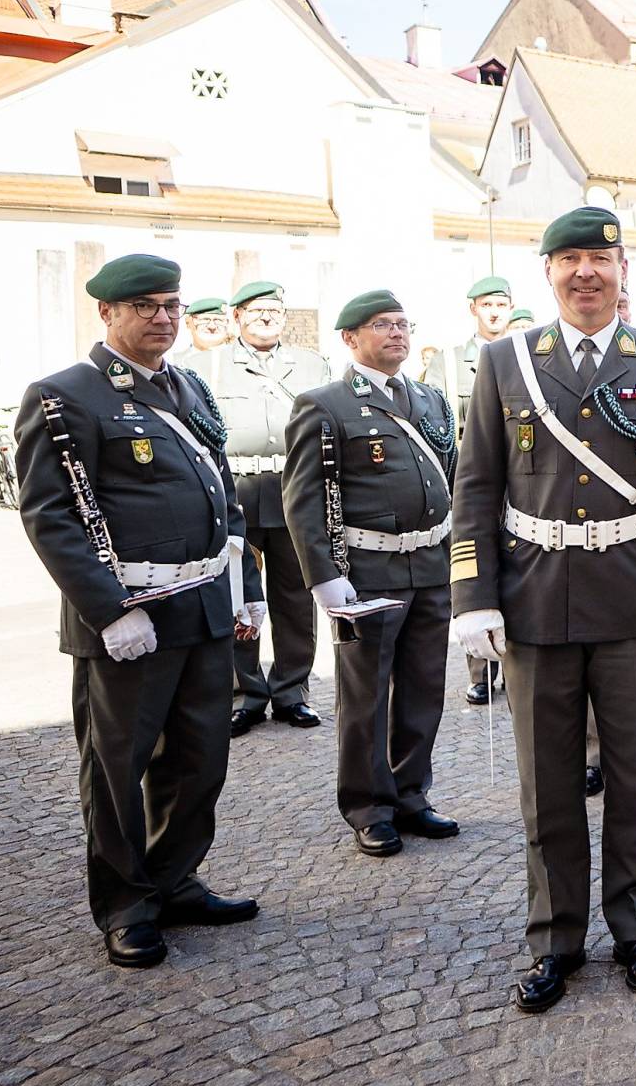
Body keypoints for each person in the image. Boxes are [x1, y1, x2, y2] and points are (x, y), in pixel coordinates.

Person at [449, 207, 636, 1012]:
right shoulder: (505, 362)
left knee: (635, 780)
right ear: (549, 273)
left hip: (633, 603)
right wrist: (473, 598)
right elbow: (476, 490)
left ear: (622, 267)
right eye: (569, 260)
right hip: (534, 604)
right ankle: (555, 938)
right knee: (547, 783)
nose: (586, 273)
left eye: (599, 258)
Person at [14, 253, 265, 969]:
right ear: (107, 313)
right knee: (117, 768)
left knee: (199, 759)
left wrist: (243, 586)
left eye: (171, 306)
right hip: (130, 618)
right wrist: (108, 609)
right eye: (146, 307)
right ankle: (126, 904)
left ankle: (175, 878)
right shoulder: (66, 396)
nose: (163, 318)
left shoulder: (186, 387)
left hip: (203, 608)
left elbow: (223, 491)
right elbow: (51, 515)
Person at [283, 289, 461, 857]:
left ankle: (411, 793)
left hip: (430, 565)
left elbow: (454, 479)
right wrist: (325, 578)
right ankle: (369, 806)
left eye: (403, 324)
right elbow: (304, 499)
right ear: (350, 338)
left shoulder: (430, 400)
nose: (397, 334)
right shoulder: (324, 404)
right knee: (365, 697)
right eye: (383, 325)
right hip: (368, 571)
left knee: (423, 687)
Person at [187, 281, 331, 736]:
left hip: (294, 492)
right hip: (235, 494)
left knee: (294, 597)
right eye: (255, 311)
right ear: (236, 318)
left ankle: (291, 690)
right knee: (238, 595)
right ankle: (245, 692)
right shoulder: (204, 367)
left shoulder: (311, 364)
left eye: (274, 310)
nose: (266, 318)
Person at [423, 275, 516, 706]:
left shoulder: (523, 356)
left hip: (517, 482)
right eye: (487, 304)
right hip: (469, 478)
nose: (495, 311)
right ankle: (479, 669)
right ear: (472, 309)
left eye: (501, 303)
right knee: (473, 567)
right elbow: (437, 427)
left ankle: (513, 660)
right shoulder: (446, 363)